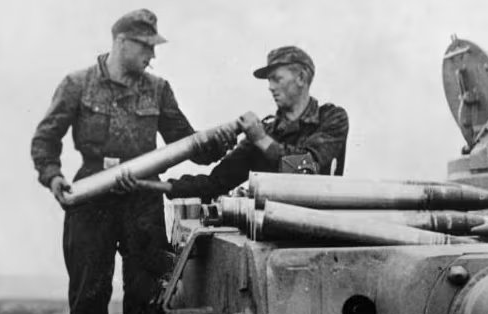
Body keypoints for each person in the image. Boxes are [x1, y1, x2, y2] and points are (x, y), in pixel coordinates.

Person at [30, 9, 233, 314]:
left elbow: (186, 141)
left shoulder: (159, 90)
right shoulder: (77, 84)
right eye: (146, 48)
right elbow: (44, 139)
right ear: (122, 42)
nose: (151, 58)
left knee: (145, 297)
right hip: (92, 197)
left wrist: (225, 142)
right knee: (88, 297)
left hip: (141, 197)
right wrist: (53, 178)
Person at [125, 46, 349, 200]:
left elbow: (306, 170)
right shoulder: (266, 132)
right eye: (269, 80)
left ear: (301, 78)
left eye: (276, 78)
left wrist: (261, 139)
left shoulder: (331, 118)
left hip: (320, 234)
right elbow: (215, 183)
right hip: (275, 233)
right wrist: (151, 185)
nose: (270, 87)